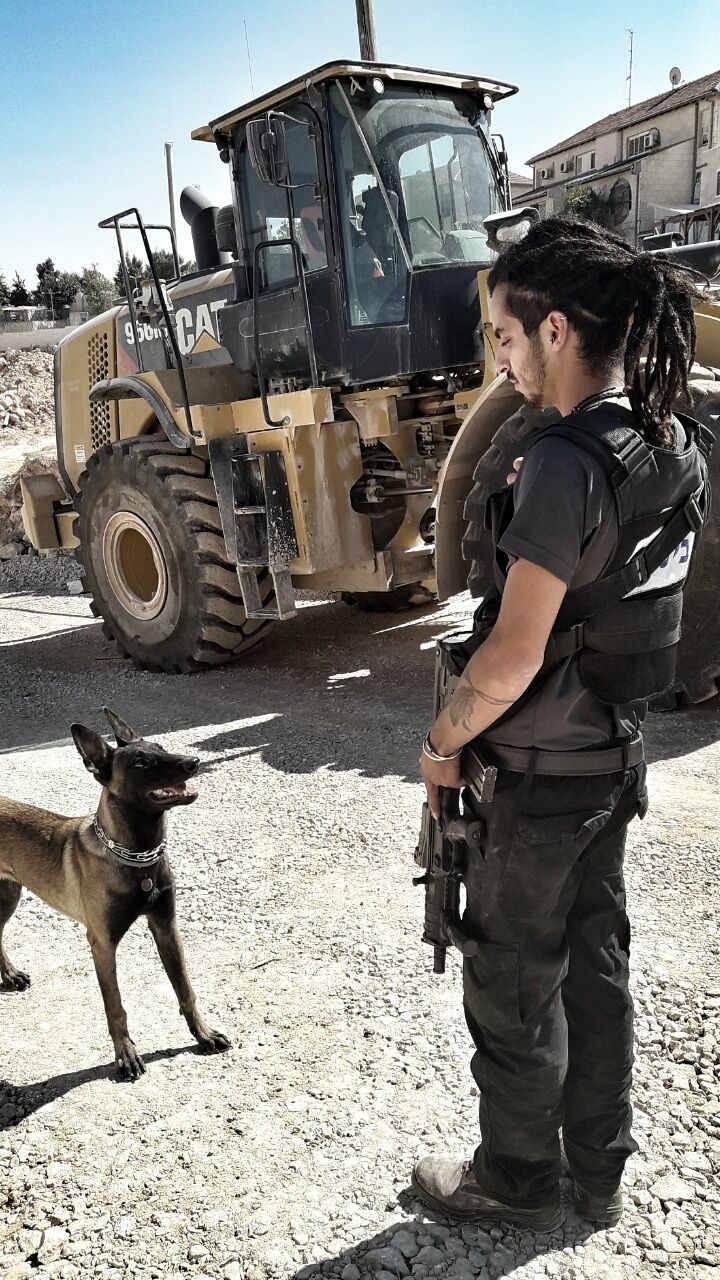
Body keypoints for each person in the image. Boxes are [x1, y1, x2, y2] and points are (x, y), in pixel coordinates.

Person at [413, 215, 711, 1233]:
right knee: (597, 974)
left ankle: (516, 1178)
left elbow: (512, 654)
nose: (498, 356)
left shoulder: (563, 459)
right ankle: (599, 1173)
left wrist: (442, 740)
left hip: (537, 779)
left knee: (511, 984)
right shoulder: (666, 437)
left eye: (502, 334)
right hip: (612, 764)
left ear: (551, 328)